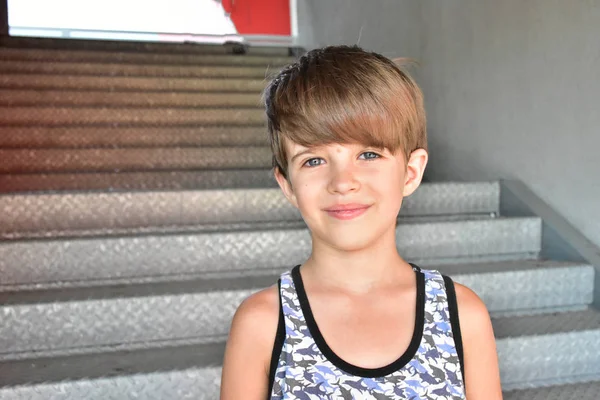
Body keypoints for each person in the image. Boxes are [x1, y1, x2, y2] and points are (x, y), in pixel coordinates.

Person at [220, 45, 502, 399]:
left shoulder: (462, 315)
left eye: (368, 154)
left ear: (411, 172)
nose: (342, 182)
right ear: (288, 185)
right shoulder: (263, 323)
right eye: (313, 160)